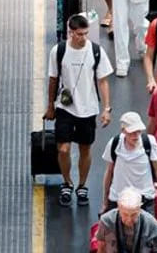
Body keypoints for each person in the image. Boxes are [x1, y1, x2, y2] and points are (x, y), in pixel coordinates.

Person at [45, 13, 114, 207]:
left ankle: (82, 185)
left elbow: (103, 81)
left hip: (88, 108)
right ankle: (67, 182)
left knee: (85, 148)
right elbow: (53, 79)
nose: (83, 37)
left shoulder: (95, 51)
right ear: (70, 33)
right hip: (65, 107)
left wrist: (106, 108)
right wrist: (50, 105)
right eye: (79, 34)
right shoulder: (58, 51)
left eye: (85, 33)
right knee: (64, 148)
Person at [102, 122, 157, 212]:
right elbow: (109, 172)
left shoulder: (149, 142)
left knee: (147, 225)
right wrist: (105, 201)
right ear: (123, 131)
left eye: (138, 131)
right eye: (132, 132)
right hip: (118, 198)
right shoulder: (114, 143)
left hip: (145, 199)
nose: (136, 135)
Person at [93, 187, 157, 253]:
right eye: (125, 214)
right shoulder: (106, 221)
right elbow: (101, 247)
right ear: (118, 207)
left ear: (140, 208)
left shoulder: (150, 223)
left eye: (134, 214)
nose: (129, 219)